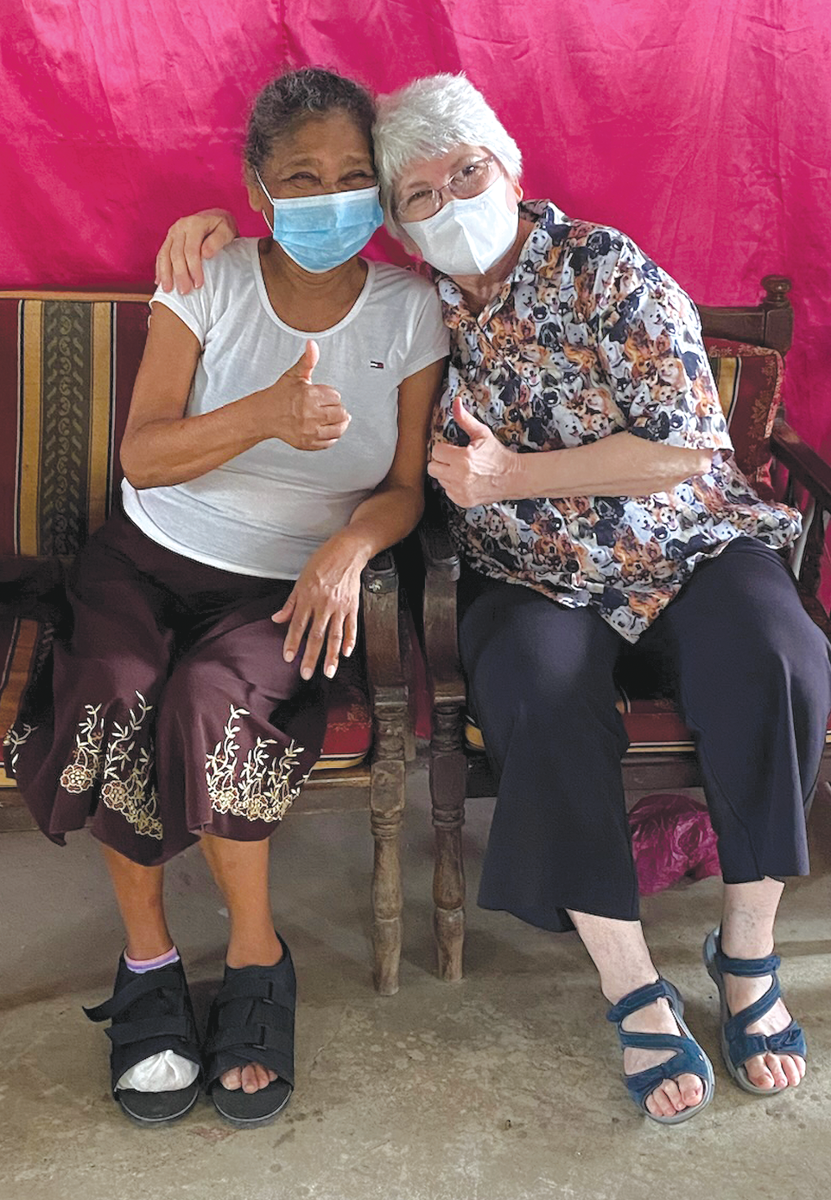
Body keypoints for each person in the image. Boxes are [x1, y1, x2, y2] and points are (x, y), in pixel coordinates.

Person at [155, 74, 831, 1124]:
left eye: (465, 172)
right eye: (418, 194)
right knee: (531, 690)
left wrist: (513, 477)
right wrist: (201, 226)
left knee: (777, 655)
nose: (449, 200)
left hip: (686, 544)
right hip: (530, 578)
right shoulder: (418, 306)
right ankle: (631, 983)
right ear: (400, 227)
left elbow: (687, 450)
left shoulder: (606, 268)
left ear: (511, 167)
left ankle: (746, 958)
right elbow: (288, 268)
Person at [3, 67, 447, 1128]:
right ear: (259, 186)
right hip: (150, 556)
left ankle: (258, 957)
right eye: (303, 177)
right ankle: (148, 962)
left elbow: (402, 490)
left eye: (352, 177)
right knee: (112, 686)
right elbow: (145, 456)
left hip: (284, 586)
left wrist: (347, 547)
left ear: (380, 191)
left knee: (211, 701)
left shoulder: (413, 307)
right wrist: (264, 416)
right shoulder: (205, 277)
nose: (331, 197)